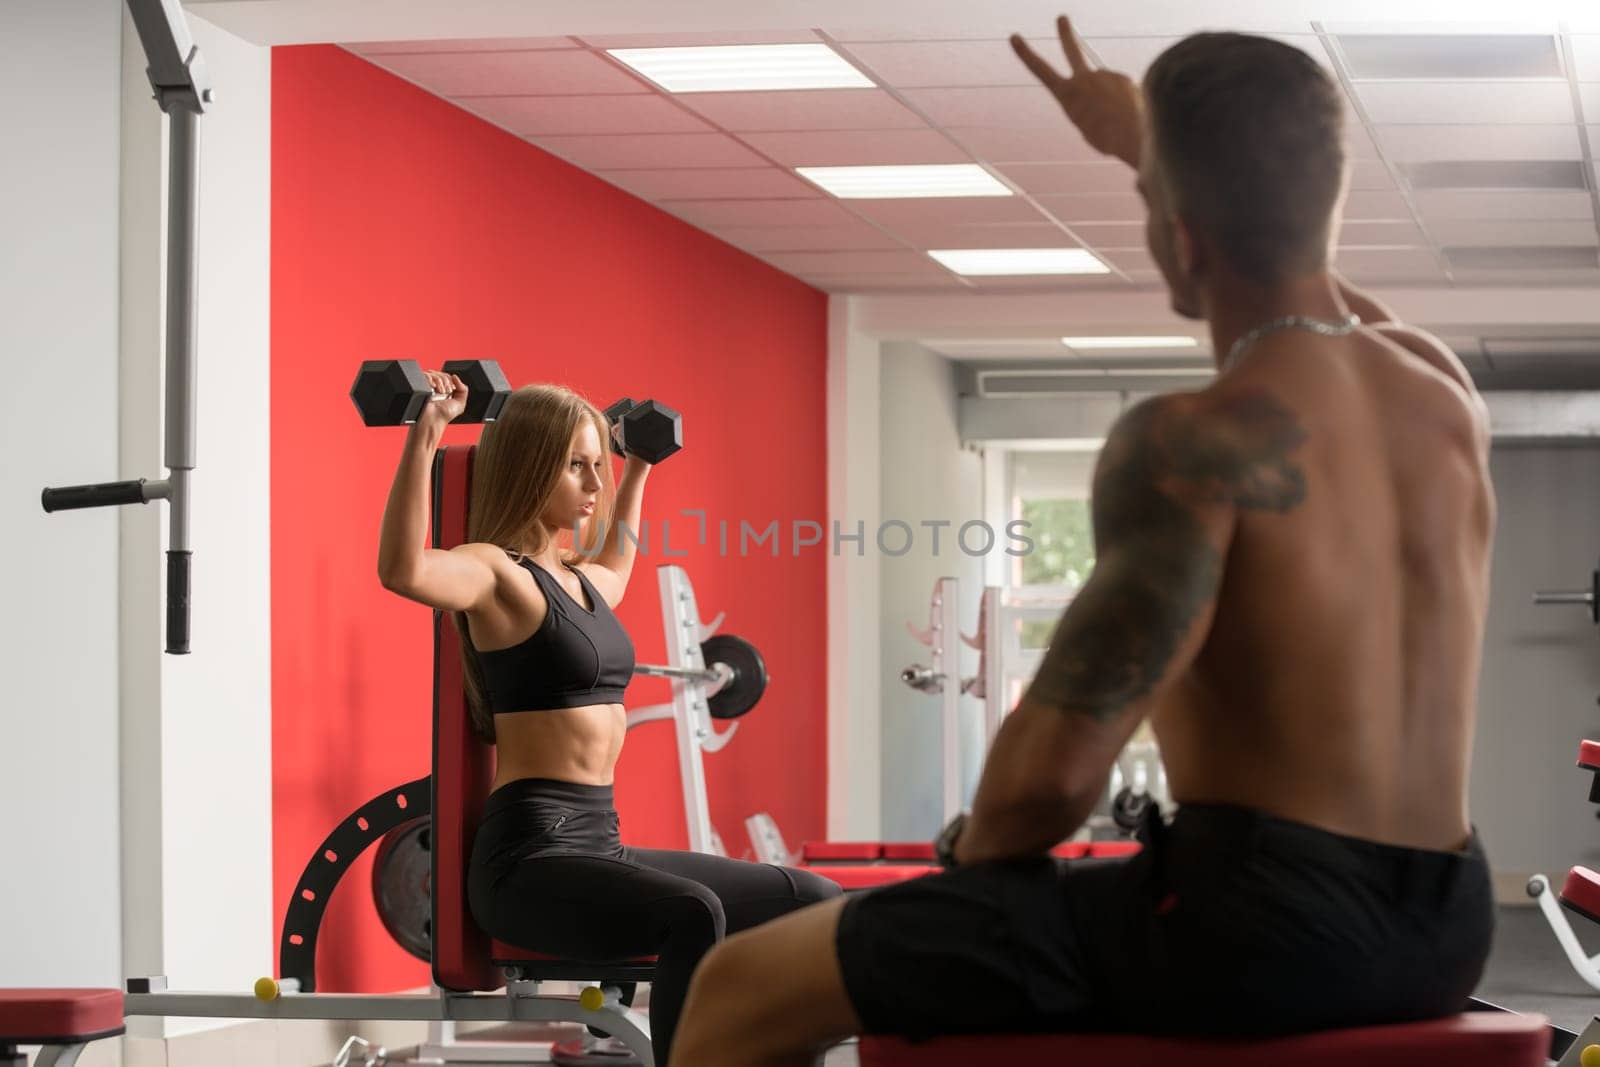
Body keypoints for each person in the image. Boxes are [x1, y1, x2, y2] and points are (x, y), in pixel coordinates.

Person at [669, 19, 1496, 1067]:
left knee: (740, 982)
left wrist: (968, 853)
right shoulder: (1441, 395)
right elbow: (1339, 311)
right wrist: (1155, 151)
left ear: (1180, 235)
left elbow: (1046, 787)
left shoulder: (1191, 443)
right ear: (1325, 202)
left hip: (1262, 930)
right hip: (1445, 919)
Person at [376, 378, 840, 1065]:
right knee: (692, 911)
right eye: (575, 464)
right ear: (530, 464)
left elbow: (620, 555)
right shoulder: (497, 575)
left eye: (600, 463)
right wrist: (426, 432)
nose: (594, 481)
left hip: (600, 841)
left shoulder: (581, 579)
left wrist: (641, 468)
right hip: (529, 860)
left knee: (813, 894)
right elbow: (403, 569)